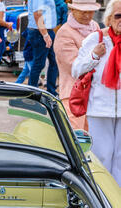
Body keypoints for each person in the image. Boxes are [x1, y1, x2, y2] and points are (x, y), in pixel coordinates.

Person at [71, 0, 121, 186]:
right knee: (102, 156)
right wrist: (94, 56)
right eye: (118, 16)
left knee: (120, 159)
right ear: (108, 18)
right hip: (99, 109)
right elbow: (76, 70)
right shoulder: (97, 39)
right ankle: (102, 196)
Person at [54, 0, 100, 131]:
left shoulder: (95, 26)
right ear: (73, 10)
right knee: (76, 136)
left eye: (90, 11)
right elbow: (74, 68)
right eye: (83, 12)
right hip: (74, 95)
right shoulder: (64, 33)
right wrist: (95, 55)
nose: (87, 15)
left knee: (93, 137)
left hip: (94, 94)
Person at [27, 0, 59, 96]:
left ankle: (51, 90)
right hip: (40, 32)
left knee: (54, 61)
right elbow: (37, 14)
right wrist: (45, 34)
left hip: (44, 31)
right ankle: (31, 91)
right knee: (39, 63)